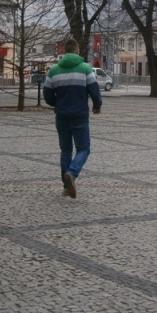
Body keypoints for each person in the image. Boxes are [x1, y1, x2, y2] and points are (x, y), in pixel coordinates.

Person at [43, 39, 102, 198]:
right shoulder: (85, 68)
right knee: (83, 148)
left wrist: (58, 103)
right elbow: (94, 90)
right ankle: (72, 173)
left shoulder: (53, 70)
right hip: (80, 115)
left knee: (65, 150)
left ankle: (65, 186)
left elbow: (47, 95)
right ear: (77, 50)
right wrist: (97, 105)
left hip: (61, 116)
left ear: (64, 51)